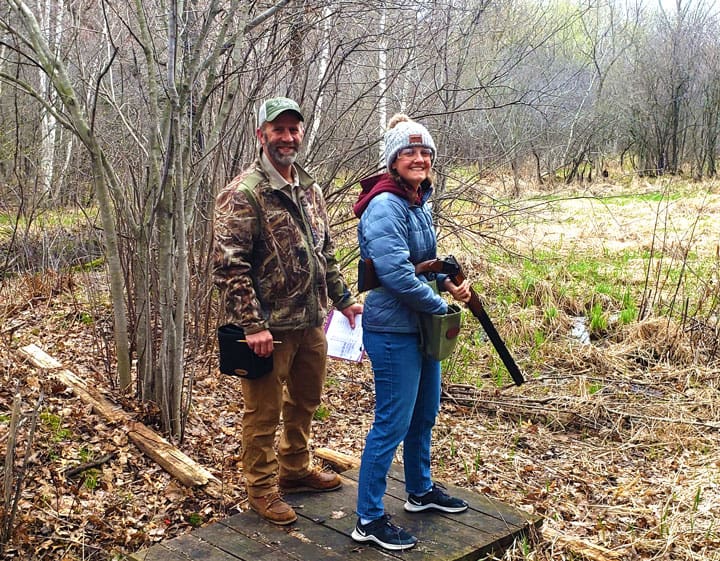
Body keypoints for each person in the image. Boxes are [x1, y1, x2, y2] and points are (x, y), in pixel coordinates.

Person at [213, 97, 363, 526]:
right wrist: (252, 325)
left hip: (311, 321)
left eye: (294, 129)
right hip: (269, 331)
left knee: (305, 401)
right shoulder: (243, 193)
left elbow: (324, 253)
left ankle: (295, 470)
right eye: (279, 129)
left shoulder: (309, 189)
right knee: (263, 412)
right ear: (262, 135)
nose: (288, 137)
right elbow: (229, 266)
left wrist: (344, 298)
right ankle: (261, 489)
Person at [351, 114, 472, 550]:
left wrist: (448, 282)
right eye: (409, 152)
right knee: (391, 423)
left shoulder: (419, 201)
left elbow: (423, 266)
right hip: (391, 330)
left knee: (424, 415)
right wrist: (440, 304)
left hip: (419, 325)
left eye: (425, 152)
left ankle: (419, 492)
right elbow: (397, 276)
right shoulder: (385, 205)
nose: (419, 159)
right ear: (393, 160)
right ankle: (368, 518)